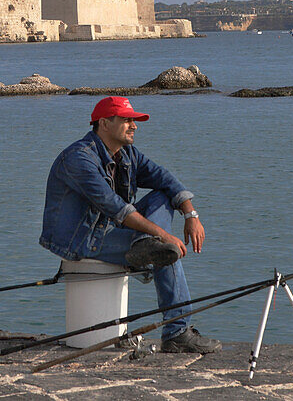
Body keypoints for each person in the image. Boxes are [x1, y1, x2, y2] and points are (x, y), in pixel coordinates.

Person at [39, 96, 221, 353]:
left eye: (134, 120)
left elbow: (164, 178)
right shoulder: (79, 159)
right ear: (104, 123)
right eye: (126, 120)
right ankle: (177, 332)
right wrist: (162, 236)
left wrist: (191, 215)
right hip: (81, 239)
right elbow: (113, 206)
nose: (134, 125)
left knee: (162, 197)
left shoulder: (127, 154)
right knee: (164, 251)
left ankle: (147, 246)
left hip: (110, 230)